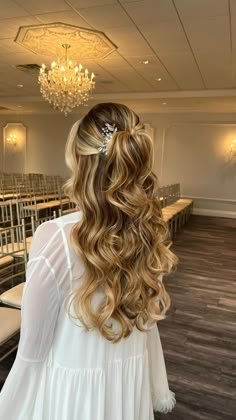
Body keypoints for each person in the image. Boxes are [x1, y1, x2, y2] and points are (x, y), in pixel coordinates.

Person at [0, 102, 178, 419]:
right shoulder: (150, 231)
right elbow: (148, 327)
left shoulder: (54, 236)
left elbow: (33, 349)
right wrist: (153, 383)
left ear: (80, 161)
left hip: (76, 395)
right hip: (128, 376)